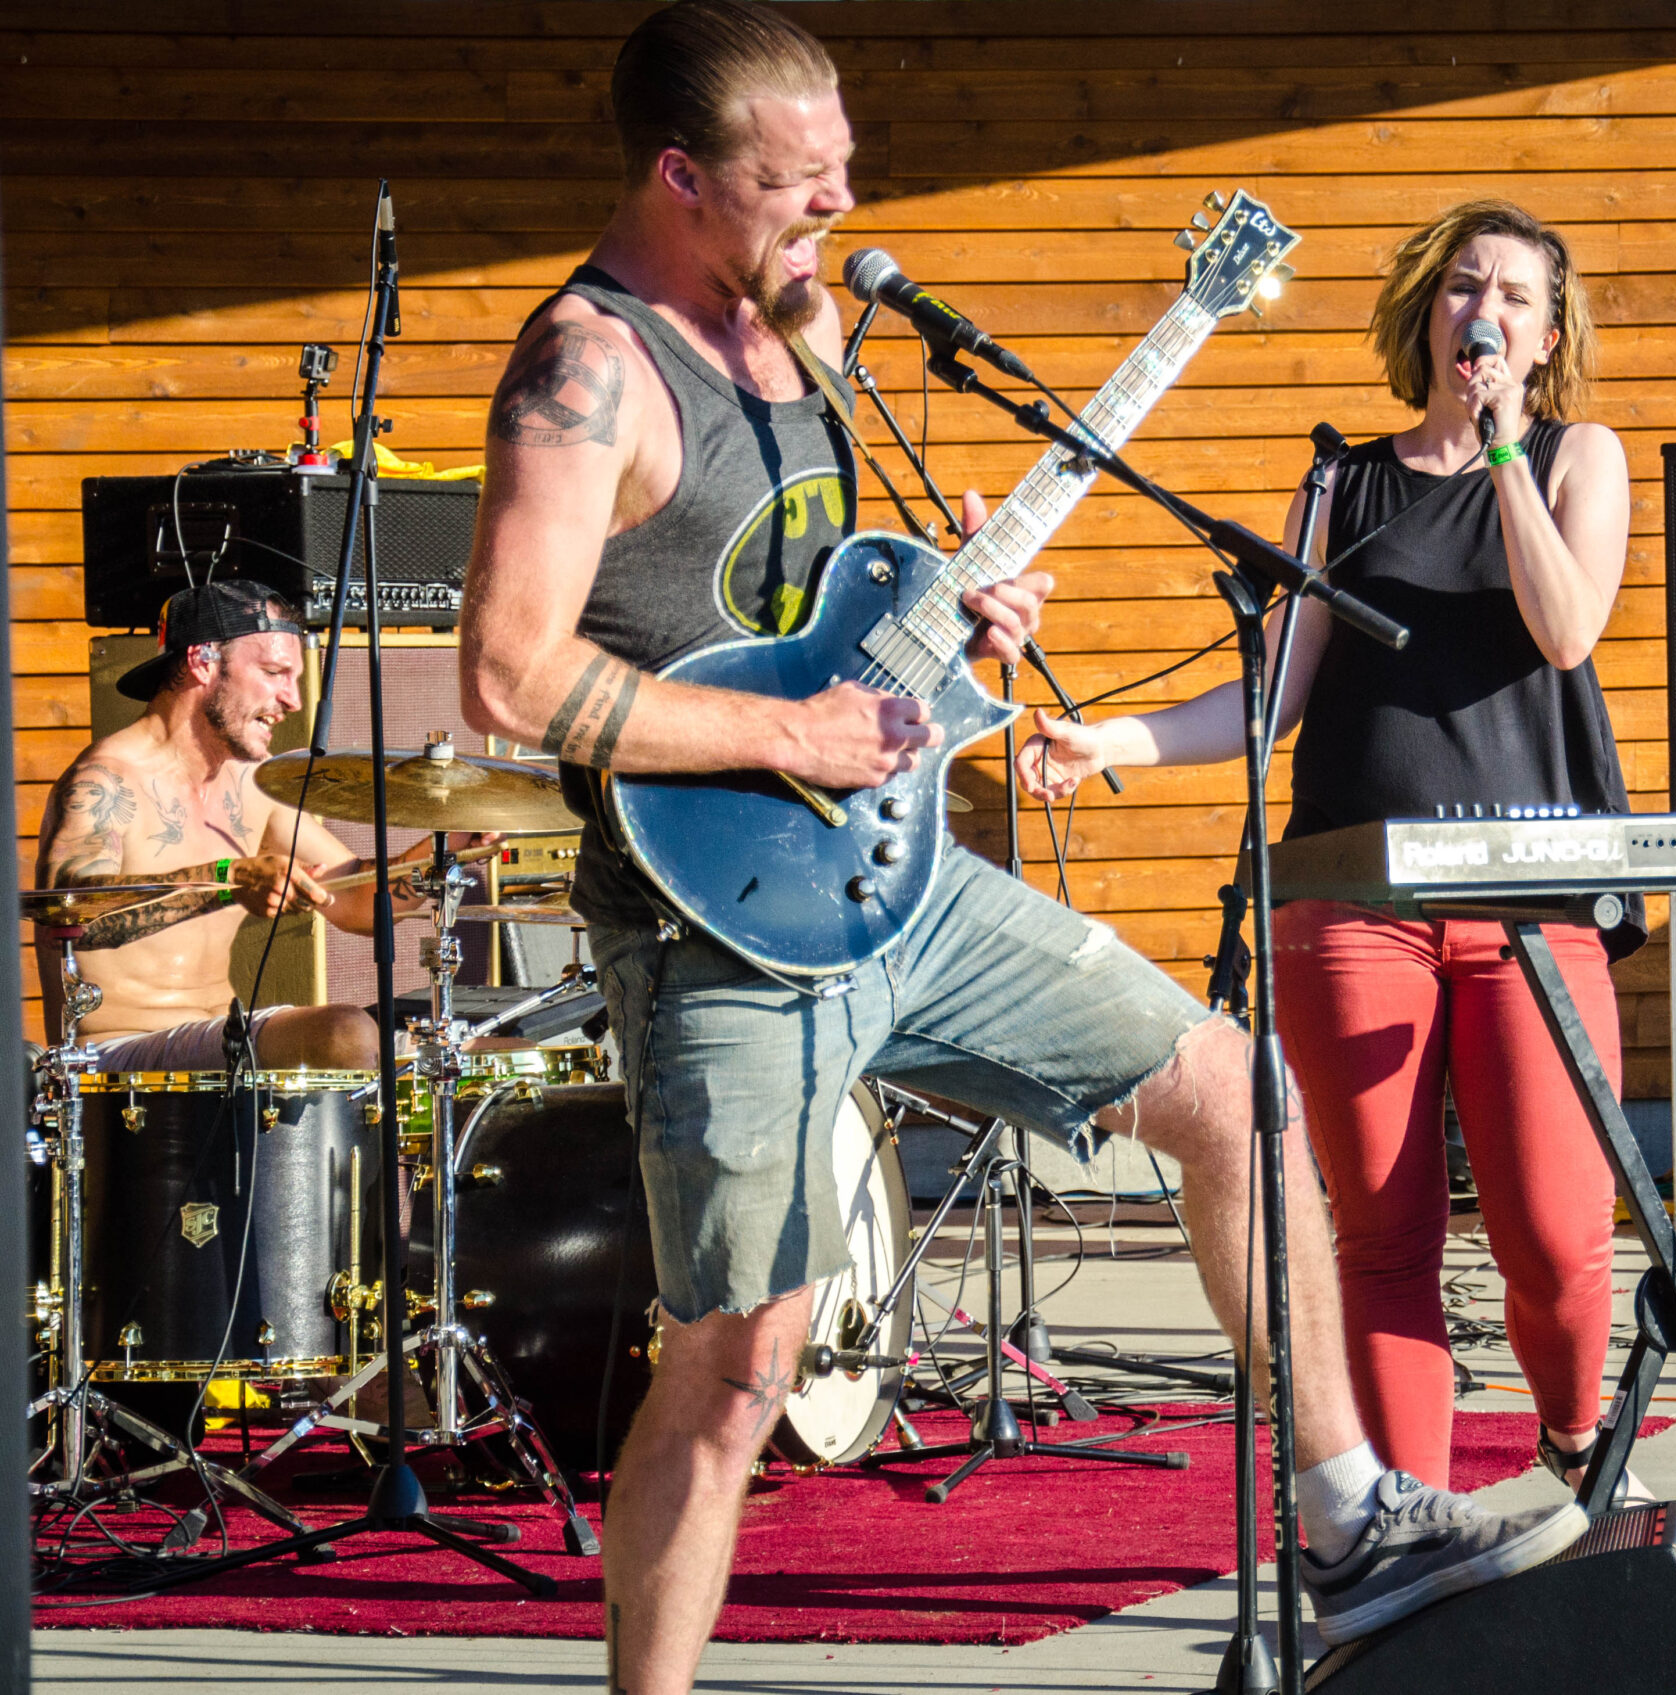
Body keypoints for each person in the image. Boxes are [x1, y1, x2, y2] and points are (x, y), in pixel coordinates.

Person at [453, 8, 1582, 1689]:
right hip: (714, 920)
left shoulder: (798, 322)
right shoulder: (589, 364)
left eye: (846, 166)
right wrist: (791, 737)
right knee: (743, 1362)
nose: (840, 204)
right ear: (681, 175)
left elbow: (813, 605)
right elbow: (508, 672)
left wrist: (951, 609)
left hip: (891, 877)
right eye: (800, 179)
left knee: (1239, 1093)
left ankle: (1349, 1517)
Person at [1021, 200, 1641, 1498]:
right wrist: (1110, 741)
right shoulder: (1342, 485)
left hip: (1532, 901)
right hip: (1354, 900)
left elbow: (1568, 628)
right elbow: (1273, 695)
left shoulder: (1577, 456)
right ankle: (1408, 1528)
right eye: (1465, 284)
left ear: (1548, 335)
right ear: (1428, 308)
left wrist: (1504, 451)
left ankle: (1576, 1442)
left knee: (1556, 1236)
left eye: (1516, 296)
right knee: (1382, 1240)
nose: (1486, 310)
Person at [33, 580, 441, 1070]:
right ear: (202, 662)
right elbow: (69, 913)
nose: (292, 700)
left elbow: (356, 901)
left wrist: (446, 847)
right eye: (274, 673)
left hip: (222, 1038)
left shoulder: (250, 782)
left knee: (455, 1053)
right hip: (112, 1055)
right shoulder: (105, 778)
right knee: (346, 1033)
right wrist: (229, 878)